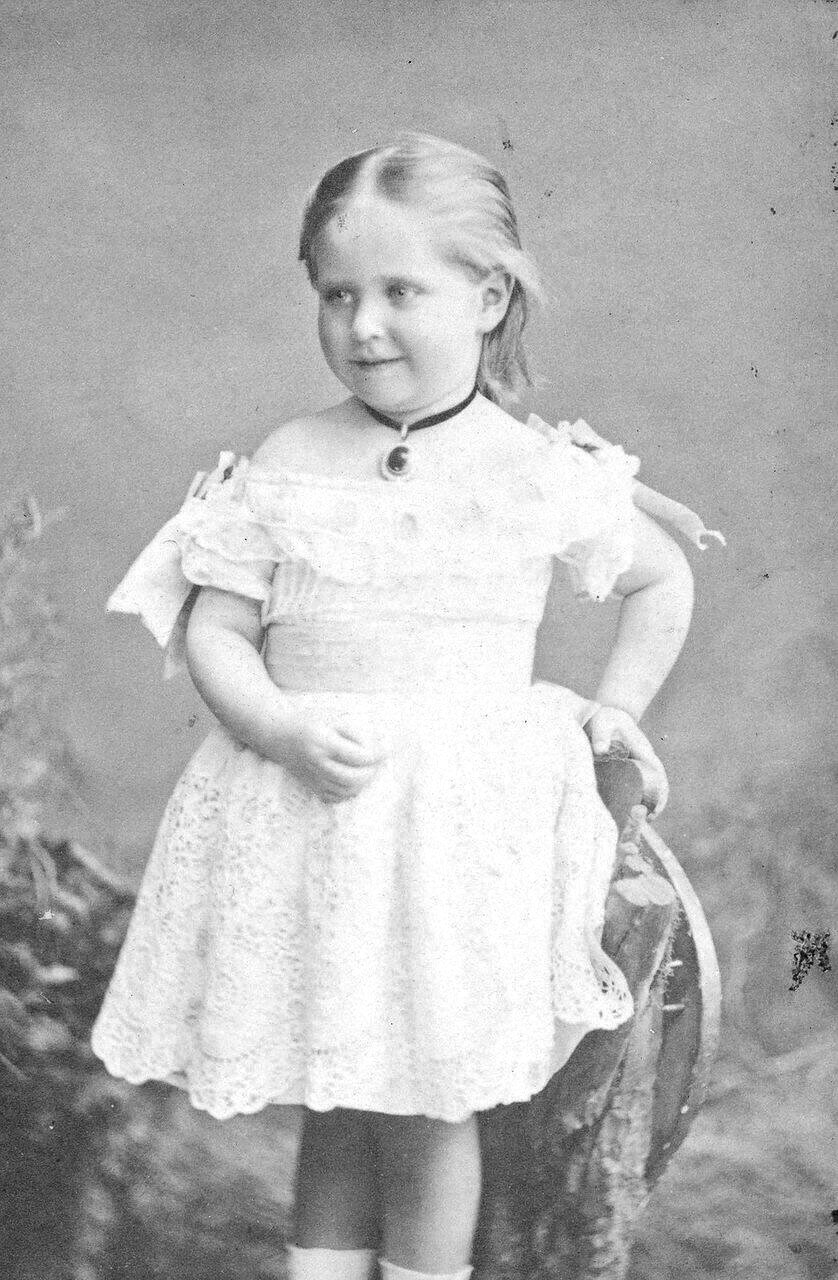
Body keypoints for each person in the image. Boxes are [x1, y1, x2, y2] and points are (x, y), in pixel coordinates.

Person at [91, 133, 722, 1280]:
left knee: (429, 1100)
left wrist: (615, 707)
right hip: (320, 818)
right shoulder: (291, 456)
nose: (364, 324)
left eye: (400, 292)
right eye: (338, 294)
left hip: (451, 837)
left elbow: (660, 577)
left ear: (488, 298)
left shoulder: (530, 467)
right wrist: (277, 723)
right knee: (339, 1093)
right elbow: (217, 629)